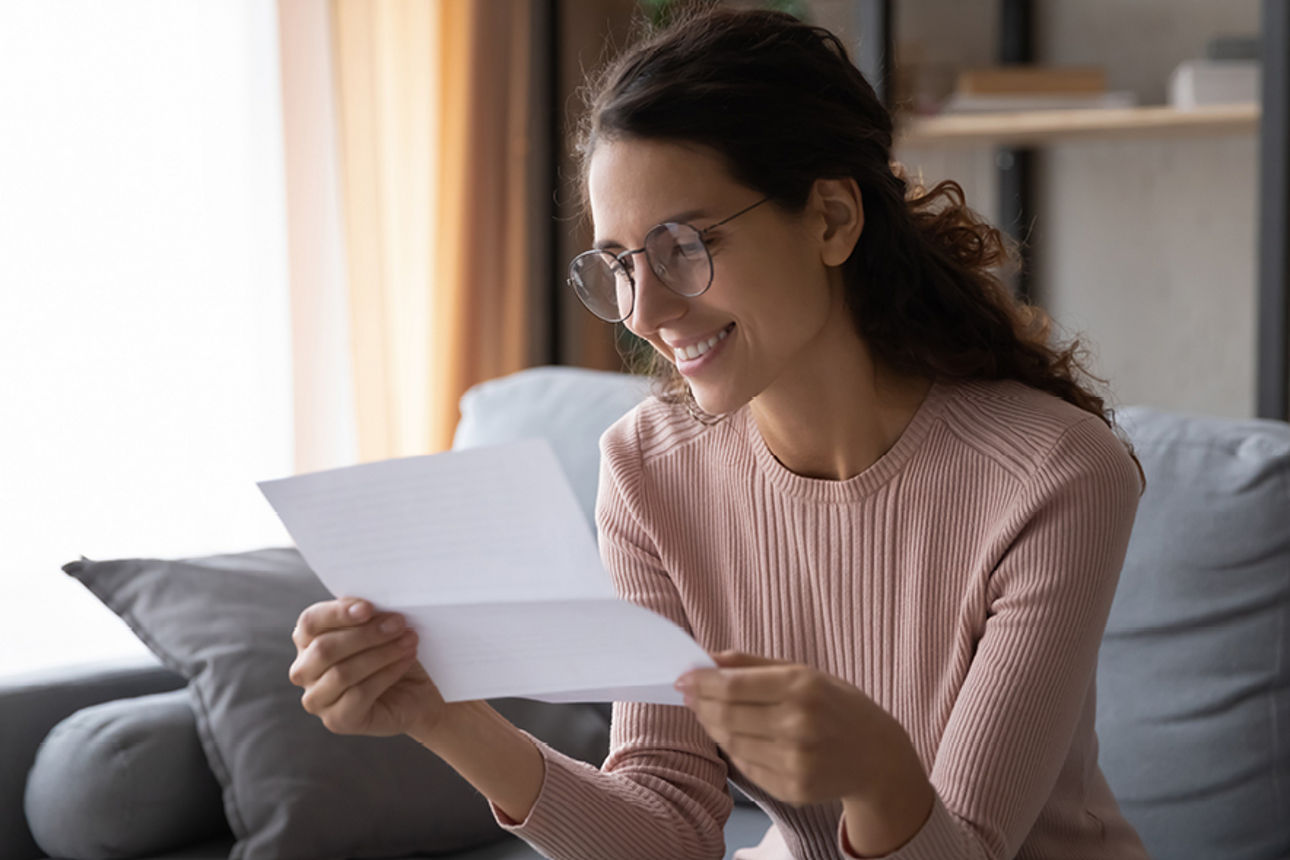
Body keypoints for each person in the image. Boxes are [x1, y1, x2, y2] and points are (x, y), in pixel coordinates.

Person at [287, 6, 1151, 859]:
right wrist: (443, 716)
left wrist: (883, 779)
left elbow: (970, 849)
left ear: (831, 220)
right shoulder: (647, 468)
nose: (647, 313)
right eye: (620, 265)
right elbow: (666, 820)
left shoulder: (1054, 475)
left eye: (684, 245)